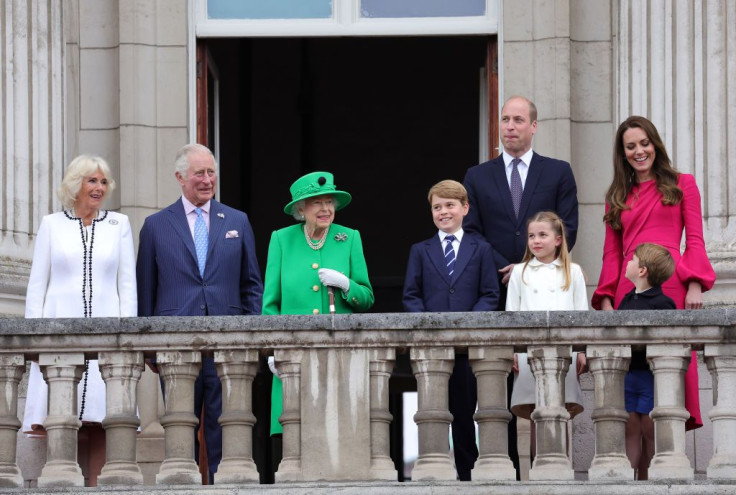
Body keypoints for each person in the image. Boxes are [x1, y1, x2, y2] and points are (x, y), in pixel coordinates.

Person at [463, 95, 579, 475]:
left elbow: (569, 228)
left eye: (518, 120)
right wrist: (509, 269)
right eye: (505, 120)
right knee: (501, 389)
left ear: (534, 126)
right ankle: (507, 469)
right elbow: (473, 232)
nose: (510, 126)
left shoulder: (558, 171)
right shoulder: (478, 176)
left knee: (549, 393)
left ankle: (552, 466)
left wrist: (529, 265)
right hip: (497, 293)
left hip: (544, 291)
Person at [136, 143, 263, 483]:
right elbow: (146, 290)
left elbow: (251, 284)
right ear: (180, 177)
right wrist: (149, 348)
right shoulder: (155, 225)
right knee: (180, 427)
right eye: (199, 174)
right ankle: (184, 487)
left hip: (229, 345)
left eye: (211, 172)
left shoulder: (237, 220)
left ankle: (225, 486)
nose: (207, 180)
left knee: (227, 426)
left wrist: (253, 336)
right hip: (177, 345)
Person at [591, 115, 716, 430]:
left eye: (644, 143)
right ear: (623, 153)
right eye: (630, 146)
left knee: (668, 382)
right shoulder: (616, 196)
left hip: (670, 284)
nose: (639, 151)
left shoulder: (682, 183)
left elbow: (696, 240)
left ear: (655, 145)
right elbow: (610, 253)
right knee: (632, 393)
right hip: (628, 290)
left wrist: (694, 284)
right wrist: (606, 297)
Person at [24, 154, 137, 486]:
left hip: (107, 338)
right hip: (59, 335)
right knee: (61, 419)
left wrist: (127, 339)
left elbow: (126, 286)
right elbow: (37, 286)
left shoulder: (119, 225)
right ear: (76, 185)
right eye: (92, 180)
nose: (99, 187)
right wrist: (33, 338)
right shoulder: (51, 225)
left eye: (103, 181)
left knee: (103, 420)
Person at [263, 171, 374, 449]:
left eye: (330, 202)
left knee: (338, 437)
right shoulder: (281, 240)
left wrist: (346, 284)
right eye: (317, 203)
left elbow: (367, 297)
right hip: (293, 355)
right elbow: (270, 304)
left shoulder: (349, 238)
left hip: (339, 354)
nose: (326, 209)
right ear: (301, 209)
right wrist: (273, 350)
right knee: (293, 436)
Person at [402, 180, 500, 481]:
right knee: (433, 414)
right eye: (437, 207)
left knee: (465, 413)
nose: (443, 212)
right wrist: (430, 326)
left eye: (450, 205)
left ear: (465, 208)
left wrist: (466, 324)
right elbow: (411, 295)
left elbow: (490, 294)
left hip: (467, 348)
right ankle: (436, 473)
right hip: (432, 349)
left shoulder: (481, 249)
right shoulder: (421, 250)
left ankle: (468, 476)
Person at [505, 211, 587, 462]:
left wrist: (581, 349)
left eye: (542, 235)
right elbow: (512, 315)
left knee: (559, 411)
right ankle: (539, 470)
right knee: (534, 413)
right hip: (530, 352)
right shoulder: (519, 272)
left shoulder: (573, 271)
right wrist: (513, 350)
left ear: (558, 239)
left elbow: (582, 313)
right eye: (531, 236)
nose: (536, 241)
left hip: (565, 353)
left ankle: (560, 467)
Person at [618, 242, 676, 480]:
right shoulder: (627, 300)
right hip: (628, 375)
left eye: (632, 259)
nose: (628, 263)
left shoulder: (663, 304)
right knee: (630, 428)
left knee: (650, 429)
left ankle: (651, 481)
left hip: (650, 376)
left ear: (642, 270)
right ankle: (630, 480)